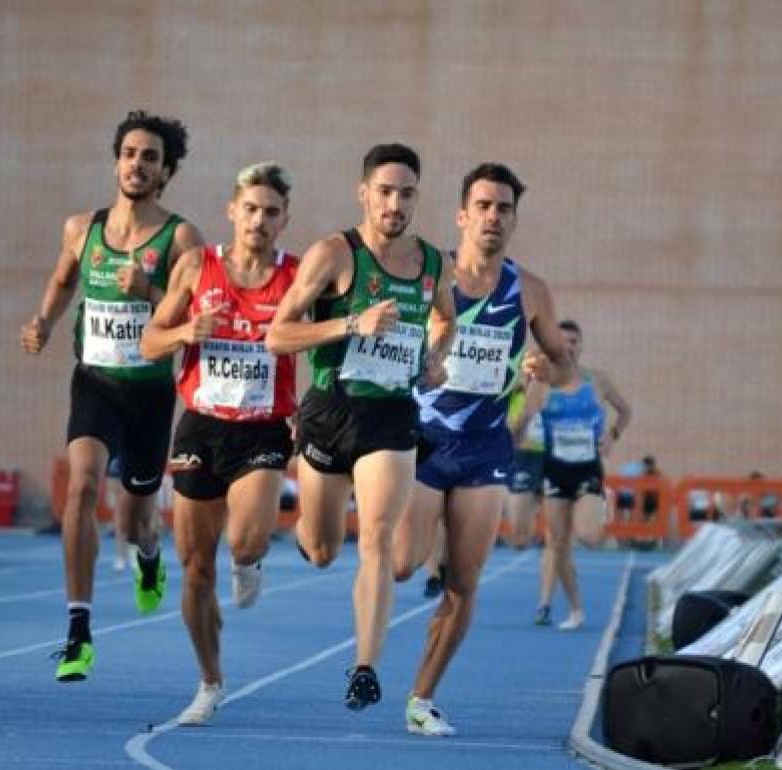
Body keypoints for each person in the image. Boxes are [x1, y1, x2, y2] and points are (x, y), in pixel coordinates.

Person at [265, 143, 455, 711]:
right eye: (386, 192)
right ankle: (310, 537)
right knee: (323, 548)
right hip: (331, 409)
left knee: (376, 537)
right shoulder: (333, 254)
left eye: (407, 193)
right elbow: (278, 335)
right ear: (364, 193)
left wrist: (433, 357)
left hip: (392, 413)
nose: (396, 203)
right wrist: (353, 322)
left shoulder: (430, 262)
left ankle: (365, 667)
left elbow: (444, 317)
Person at [20, 110, 203, 682]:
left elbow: (191, 316)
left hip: (148, 393)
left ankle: (150, 558)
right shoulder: (82, 229)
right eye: (129, 153)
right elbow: (62, 280)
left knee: (134, 524)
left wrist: (148, 289)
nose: (137, 164)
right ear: (117, 160)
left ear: (166, 170)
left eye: (150, 157)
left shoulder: (181, 238)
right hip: (94, 382)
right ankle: (78, 631)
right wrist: (44, 321)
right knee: (80, 489)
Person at [391, 163, 571, 736]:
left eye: (505, 208)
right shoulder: (424, 277)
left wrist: (548, 367)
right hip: (421, 438)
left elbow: (568, 369)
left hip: (485, 445)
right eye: (484, 206)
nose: (494, 217)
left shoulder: (531, 291)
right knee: (398, 566)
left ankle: (421, 698)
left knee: (464, 584)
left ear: (514, 219)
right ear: (462, 215)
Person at [140, 162, 299, 725]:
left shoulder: (297, 276)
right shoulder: (195, 267)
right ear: (232, 211)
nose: (259, 220)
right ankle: (209, 681)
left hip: (263, 427)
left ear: (284, 220)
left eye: (271, 211)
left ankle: (251, 560)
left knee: (248, 537)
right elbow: (150, 342)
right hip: (202, 424)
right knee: (194, 569)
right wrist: (185, 332)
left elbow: (320, 341)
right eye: (250, 208)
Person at [521, 319, 630, 631]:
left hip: (587, 468)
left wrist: (613, 434)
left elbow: (626, 411)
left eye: (574, 341)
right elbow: (523, 413)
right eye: (562, 341)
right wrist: (527, 380)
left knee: (589, 537)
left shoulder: (597, 381)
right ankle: (575, 610)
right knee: (556, 543)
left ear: (581, 346)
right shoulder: (543, 381)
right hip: (554, 468)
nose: (568, 346)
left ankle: (599, 509)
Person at [503, 377, 548, 549]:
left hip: (550, 459)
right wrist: (528, 412)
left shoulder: (554, 395)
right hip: (523, 459)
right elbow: (510, 434)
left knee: (558, 537)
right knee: (520, 538)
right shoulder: (513, 397)